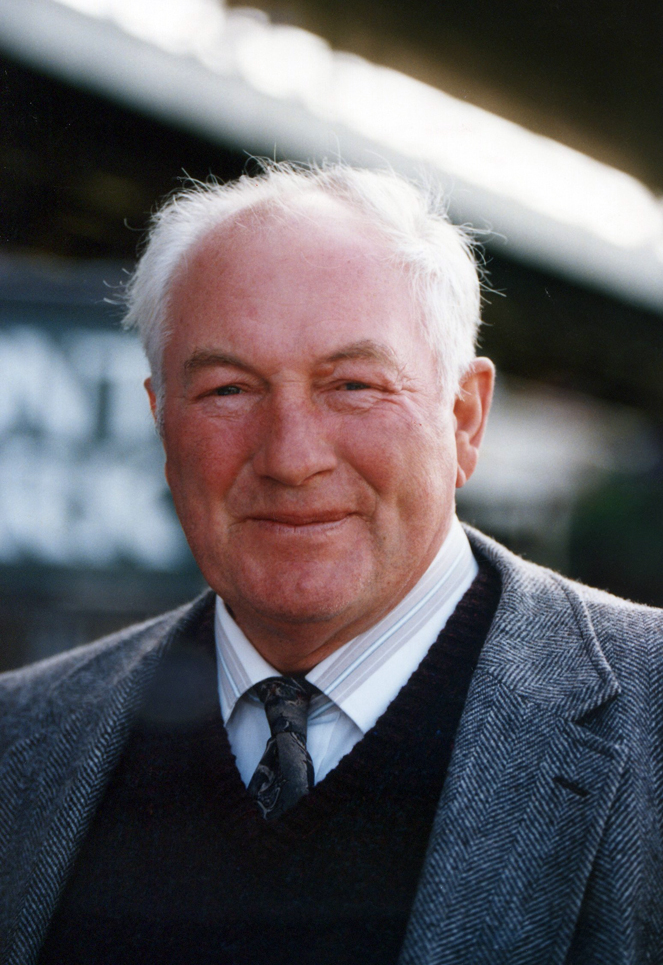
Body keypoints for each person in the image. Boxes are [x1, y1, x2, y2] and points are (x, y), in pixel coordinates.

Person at [1, 163, 662, 965]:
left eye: (352, 384)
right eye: (227, 391)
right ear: (160, 422)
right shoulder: (20, 741)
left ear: (463, 417)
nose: (291, 457)